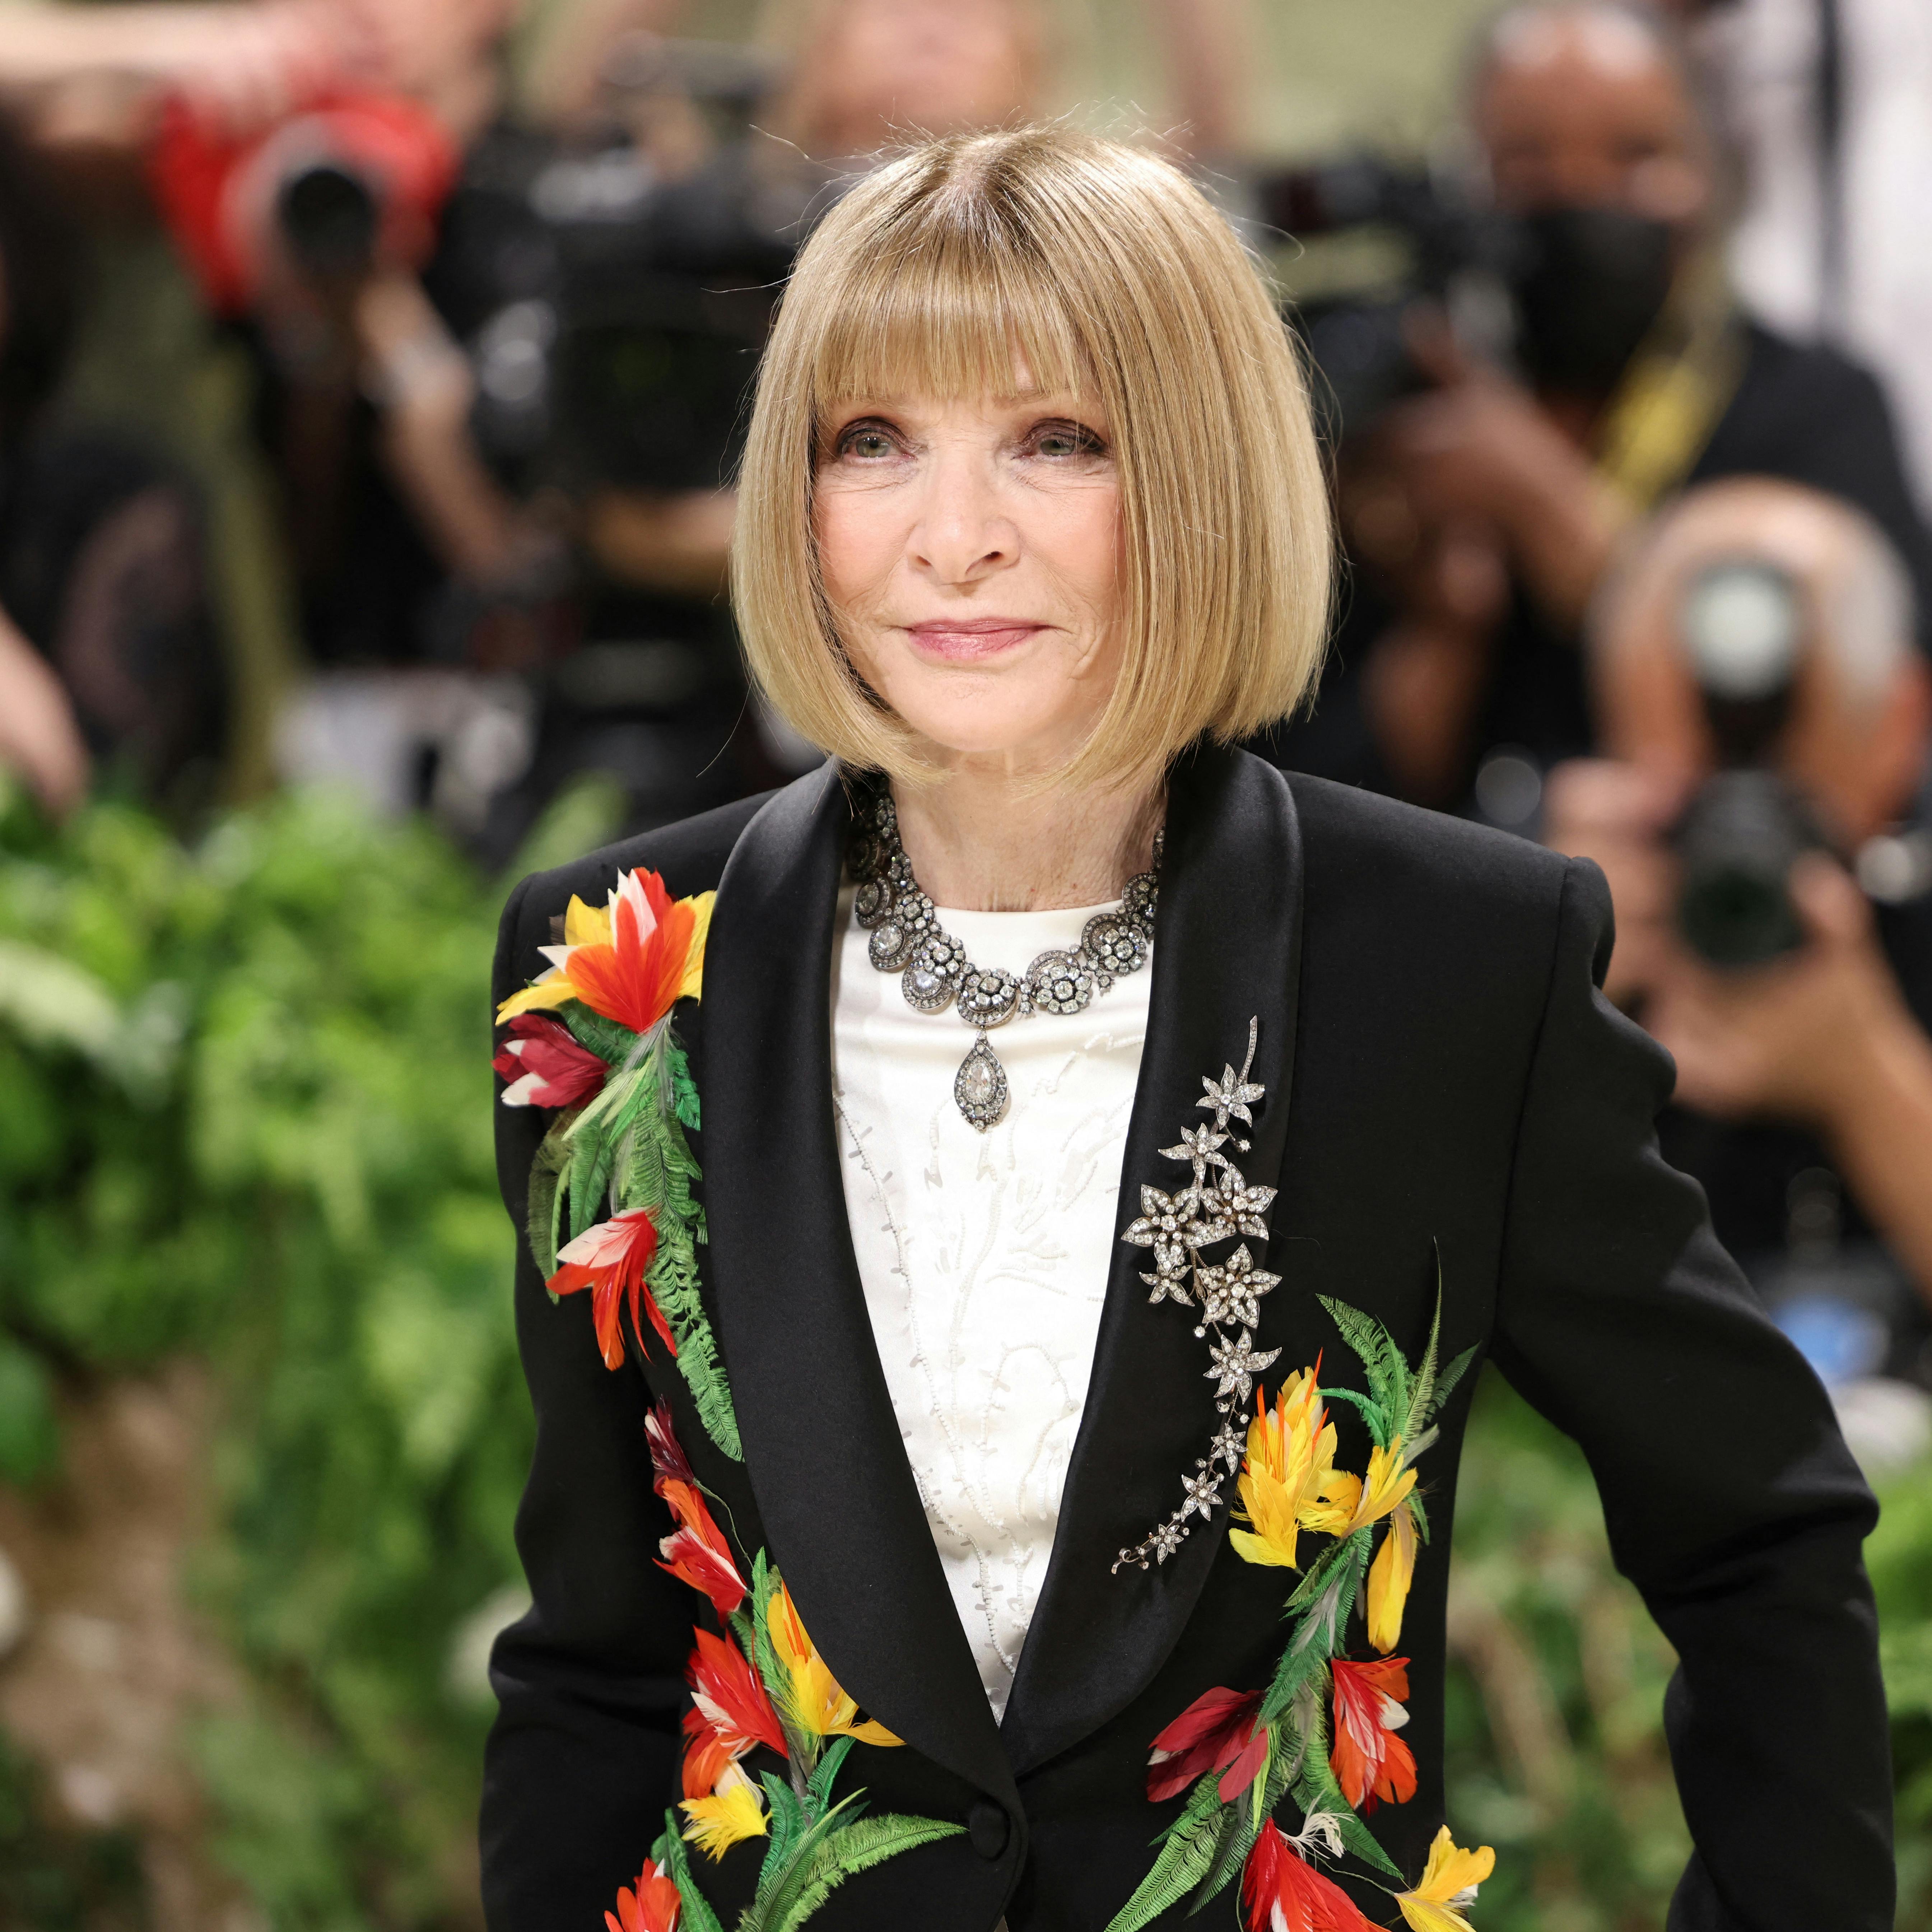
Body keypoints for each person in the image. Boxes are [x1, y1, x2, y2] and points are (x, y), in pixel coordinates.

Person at [481, 127, 1889, 1931]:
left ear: (1204, 472)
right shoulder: (613, 974)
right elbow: (597, 1663)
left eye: (1055, 439)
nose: (955, 533)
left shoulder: (1453, 963)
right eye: (873, 440)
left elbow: (1759, 1532)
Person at [1313, 0, 1931, 816]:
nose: (1581, 192)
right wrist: (1448, 630)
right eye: (1527, 159)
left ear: (1709, 181)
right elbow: (1310, 807)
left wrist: (1555, 517)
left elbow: (1869, 747)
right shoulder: (1401, 419)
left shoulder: (1818, 411)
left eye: (1635, 155)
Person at [1543, 476, 1932, 1426]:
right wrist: (1536, 1003)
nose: (1735, 841)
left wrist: (1868, 1078)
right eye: (1683, 792)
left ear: (1896, 729)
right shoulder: (1525, 899)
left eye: (1785, 790)